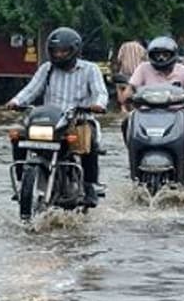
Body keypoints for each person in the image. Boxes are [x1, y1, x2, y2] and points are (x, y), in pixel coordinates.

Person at [6, 26, 108, 207]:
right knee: (17, 135)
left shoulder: (89, 69)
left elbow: (101, 93)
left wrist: (98, 105)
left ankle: (89, 185)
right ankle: (23, 182)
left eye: (63, 51)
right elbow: (30, 90)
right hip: (49, 121)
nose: (59, 55)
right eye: (55, 51)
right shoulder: (46, 69)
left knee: (88, 140)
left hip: (79, 119)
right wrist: (15, 101)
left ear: (74, 50)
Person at [122, 36, 184, 160]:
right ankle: (134, 155)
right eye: (157, 55)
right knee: (126, 123)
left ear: (173, 55)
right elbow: (131, 87)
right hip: (146, 112)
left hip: (176, 111)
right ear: (151, 56)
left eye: (165, 55)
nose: (161, 58)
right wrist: (127, 95)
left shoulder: (183, 71)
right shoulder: (143, 68)